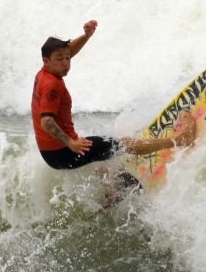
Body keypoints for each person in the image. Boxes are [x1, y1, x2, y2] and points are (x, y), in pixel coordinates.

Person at [31, 20, 196, 172]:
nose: (66, 63)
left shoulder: (45, 72)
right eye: (61, 59)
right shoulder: (52, 86)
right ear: (47, 61)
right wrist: (71, 143)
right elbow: (46, 122)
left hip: (51, 153)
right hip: (63, 151)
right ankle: (181, 140)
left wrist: (86, 36)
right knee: (123, 145)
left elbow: (66, 52)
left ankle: (110, 194)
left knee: (102, 152)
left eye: (67, 58)